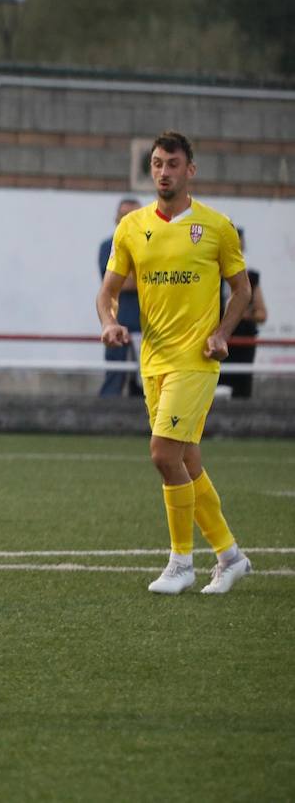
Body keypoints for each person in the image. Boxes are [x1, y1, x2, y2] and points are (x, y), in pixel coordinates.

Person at [96, 130, 253, 595]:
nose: (165, 172)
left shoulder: (216, 226)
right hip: (154, 360)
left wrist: (223, 332)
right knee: (186, 460)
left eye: (174, 164)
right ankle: (230, 555)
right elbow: (107, 293)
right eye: (158, 163)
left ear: (191, 170)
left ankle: (180, 562)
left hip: (196, 360)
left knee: (163, 455)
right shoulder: (132, 227)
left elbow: (242, 290)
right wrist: (109, 322)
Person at [98, 197, 144, 397]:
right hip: (117, 320)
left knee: (146, 382)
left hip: (148, 323)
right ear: (116, 219)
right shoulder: (108, 246)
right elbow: (114, 284)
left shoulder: (152, 246)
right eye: (124, 216)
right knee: (115, 375)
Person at [218, 227, 267, 398]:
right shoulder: (211, 277)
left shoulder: (251, 278)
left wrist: (243, 314)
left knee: (241, 390)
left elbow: (262, 314)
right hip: (216, 339)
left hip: (242, 341)